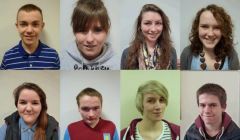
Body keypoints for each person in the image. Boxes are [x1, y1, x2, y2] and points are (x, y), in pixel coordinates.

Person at [61, 0, 119, 70]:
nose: (90, 39)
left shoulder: (118, 64)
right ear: (74, 31)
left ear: (107, 31)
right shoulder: (61, 60)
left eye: (97, 30)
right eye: (82, 30)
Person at [0, 4, 60, 70]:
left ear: (42, 26)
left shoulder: (53, 56)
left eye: (35, 24)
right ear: (17, 26)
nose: (29, 30)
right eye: (23, 24)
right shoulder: (8, 57)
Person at [181, 4, 239, 70]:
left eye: (217, 27)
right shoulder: (187, 53)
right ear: (197, 28)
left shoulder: (231, 54)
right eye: (204, 26)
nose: (210, 34)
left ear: (224, 30)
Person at [121, 4, 177, 70]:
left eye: (158, 23)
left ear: (163, 26)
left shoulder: (171, 52)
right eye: (147, 23)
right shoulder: (127, 53)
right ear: (140, 26)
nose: (153, 29)